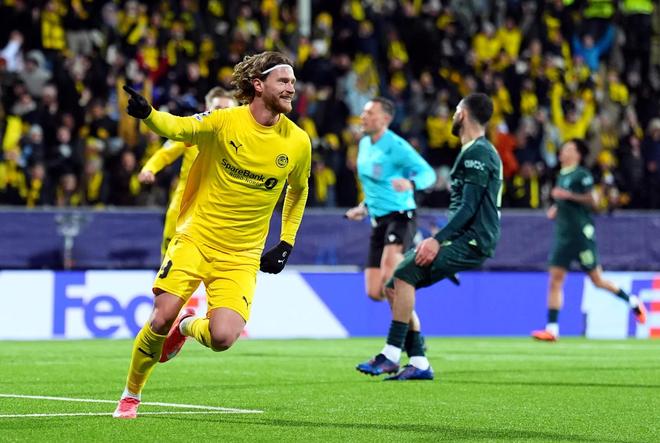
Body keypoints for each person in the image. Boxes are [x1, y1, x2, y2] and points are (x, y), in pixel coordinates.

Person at [113, 51, 311, 419]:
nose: (291, 88)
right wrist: (149, 115)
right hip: (196, 238)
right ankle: (131, 395)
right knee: (160, 317)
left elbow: (298, 191)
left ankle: (187, 326)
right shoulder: (223, 121)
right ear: (258, 85)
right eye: (284, 81)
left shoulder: (298, 142)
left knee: (223, 337)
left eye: (293, 82)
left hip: (241, 255)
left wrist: (287, 240)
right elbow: (179, 129)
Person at [356, 92, 503, 380]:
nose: (453, 115)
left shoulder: (478, 153)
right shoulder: (474, 150)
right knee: (392, 285)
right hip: (462, 236)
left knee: (403, 275)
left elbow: (469, 207)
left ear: (463, 114)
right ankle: (419, 362)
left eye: (456, 110)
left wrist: (437, 239)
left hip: (473, 239)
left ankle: (391, 354)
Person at [345, 97, 436, 369]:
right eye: (363, 112)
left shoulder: (397, 146)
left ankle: (402, 349)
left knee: (391, 282)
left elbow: (428, 174)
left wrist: (411, 183)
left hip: (401, 217)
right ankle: (413, 332)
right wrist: (363, 207)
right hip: (378, 220)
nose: (363, 116)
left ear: (385, 118)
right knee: (376, 291)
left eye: (369, 113)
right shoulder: (364, 144)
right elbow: (376, 185)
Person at [531, 139, 647, 342]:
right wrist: (557, 207)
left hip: (581, 235)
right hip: (563, 236)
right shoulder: (562, 175)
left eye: (568, 149)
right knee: (555, 280)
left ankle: (632, 301)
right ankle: (552, 329)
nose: (563, 152)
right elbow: (564, 201)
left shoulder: (582, 175)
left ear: (577, 154)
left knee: (597, 280)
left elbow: (593, 200)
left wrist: (567, 196)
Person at [138, 87, 237, 257]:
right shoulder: (193, 130)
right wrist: (149, 169)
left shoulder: (241, 140)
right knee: (170, 253)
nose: (222, 114)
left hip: (221, 207)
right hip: (184, 203)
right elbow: (165, 153)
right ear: (207, 109)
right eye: (217, 108)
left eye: (227, 109)